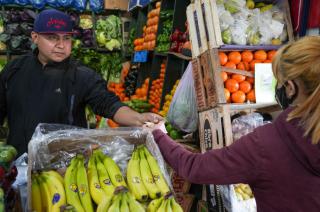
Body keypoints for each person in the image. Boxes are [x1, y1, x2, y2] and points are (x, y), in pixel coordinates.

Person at [147, 36, 320, 211]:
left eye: (279, 81)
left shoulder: (266, 145)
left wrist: (159, 134)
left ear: (290, 88)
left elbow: (195, 168)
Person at [0, 9, 162, 155]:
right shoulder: (14, 69)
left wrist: (138, 118)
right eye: (52, 38)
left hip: (64, 164)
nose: (61, 45)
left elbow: (109, 104)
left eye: (67, 38)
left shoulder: (82, 75)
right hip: (19, 160)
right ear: (35, 37)